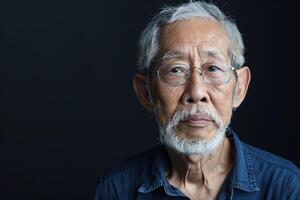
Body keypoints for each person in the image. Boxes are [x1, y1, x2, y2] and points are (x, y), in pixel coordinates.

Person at [94, 1, 300, 199]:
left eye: (213, 68)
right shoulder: (117, 190)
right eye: (175, 70)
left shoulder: (285, 186)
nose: (196, 92)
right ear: (146, 92)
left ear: (239, 87)